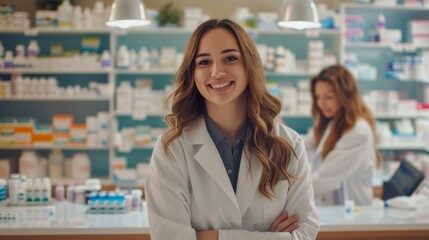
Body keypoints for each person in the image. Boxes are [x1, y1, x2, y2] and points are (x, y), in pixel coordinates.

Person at [145, 19, 319, 240]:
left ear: (249, 65)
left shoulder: (288, 144)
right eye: (204, 62)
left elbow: (304, 235)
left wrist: (208, 236)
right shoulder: (172, 148)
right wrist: (269, 237)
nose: (217, 72)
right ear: (193, 73)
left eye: (230, 58)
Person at [304, 64, 382, 206]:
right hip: (333, 207)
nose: (321, 103)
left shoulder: (358, 133)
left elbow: (324, 179)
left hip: (353, 213)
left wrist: (284, 188)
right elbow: (303, 143)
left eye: (328, 97)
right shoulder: (333, 122)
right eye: (317, 97)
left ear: (345, 96)